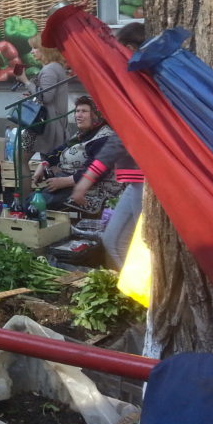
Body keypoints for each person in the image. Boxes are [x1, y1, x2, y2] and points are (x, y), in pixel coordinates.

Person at [72, 22, 146, 268]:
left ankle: (148, 301)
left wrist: (85, 181)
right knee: (113, 240)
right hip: (136, 182)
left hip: (145, 182)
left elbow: (119, 140)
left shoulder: (141, 85)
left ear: (129, 49)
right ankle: (139, 299)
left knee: (142, 246)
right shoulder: (134, 84)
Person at [31, 95, 123, 218]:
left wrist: (65, 182)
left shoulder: (104, 137)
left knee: (37, 205)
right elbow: (61, 150)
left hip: (93, 188)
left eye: (84, 111)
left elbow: (96, 169)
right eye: (77, 111)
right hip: (71, 182)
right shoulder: (82, 134)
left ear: (96, 115)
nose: (78, 115)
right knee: (33, 201)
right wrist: (44, 163)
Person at [14, 35, 70, 157]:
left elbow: (45, 97)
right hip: (49, 124)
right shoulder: (55, 67)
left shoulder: (50, 69)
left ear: (45, 49)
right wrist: (31, 94)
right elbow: (46, 94)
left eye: (35, 48)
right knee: (46, 163)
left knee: (21, 159)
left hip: (45, 125)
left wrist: (26, 81)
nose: (32, 51)